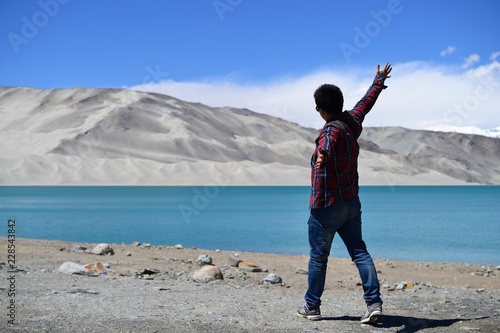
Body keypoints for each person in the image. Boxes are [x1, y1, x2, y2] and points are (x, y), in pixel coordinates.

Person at [297, 62, 392, 325]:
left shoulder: (329, 130)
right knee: (360, 252)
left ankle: (312, 307)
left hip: (325, 206)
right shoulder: (352, 120)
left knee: (318, 257)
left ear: (321, 110)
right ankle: (373, 304)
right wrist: (378, 81)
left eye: (318, 108)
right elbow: (366, 102)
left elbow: (327, 143)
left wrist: (323, 154)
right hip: (350, 203)